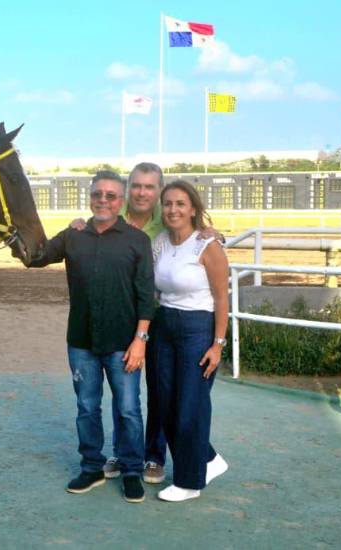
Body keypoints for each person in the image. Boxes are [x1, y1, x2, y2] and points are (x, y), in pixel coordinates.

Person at [70, 163, 220, 486]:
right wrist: (78, 225)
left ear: (158, 192)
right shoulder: (112, 214)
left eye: (150, 187)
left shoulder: (165, 221)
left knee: (158, 392)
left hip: (160, 319)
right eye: (136, 186)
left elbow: (193, 237)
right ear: (128, 189)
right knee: (123, 389)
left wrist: (211, 231)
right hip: (123, 320)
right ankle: (122, 451)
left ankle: (154, 454)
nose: (142, 192)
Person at [30, 170, 155, 504]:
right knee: (87, 407)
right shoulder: (74, 235)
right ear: (90, 197)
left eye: (111, 195)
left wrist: (140, 339)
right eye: (98, 194)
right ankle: (92, 467)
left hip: (123, 344)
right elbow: (36, 256)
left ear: (121, 200)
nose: (103, 200)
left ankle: (131, 470)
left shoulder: (136, 240)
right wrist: (13, 234)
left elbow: (146, 297)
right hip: (82, 342)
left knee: (128, 409)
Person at [151, 180, 230, 502]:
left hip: (198, 328)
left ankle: (189, 482)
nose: (173, 210)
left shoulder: (207, 246)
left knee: (190, 407)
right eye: (168, 204)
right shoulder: (160, 242)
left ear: (193, 209)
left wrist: (217, 344)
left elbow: (222, 298)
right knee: (165, 406)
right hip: (164, 325)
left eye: (180, 204)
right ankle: (208, 459)